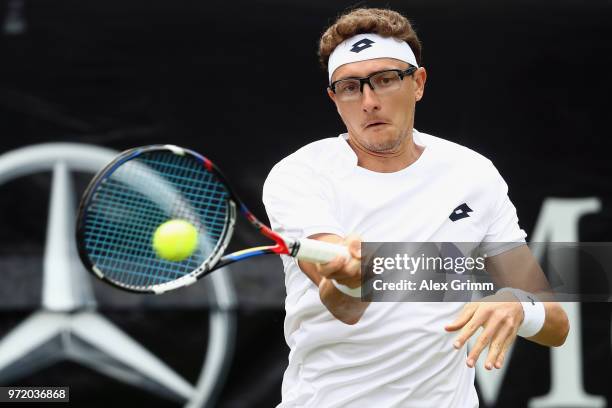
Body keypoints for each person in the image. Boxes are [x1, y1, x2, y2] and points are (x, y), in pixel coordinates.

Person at [262, 7, 569, 407]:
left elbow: (556, 323)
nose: (369, 101)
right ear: (335, 99)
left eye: (386, 80)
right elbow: (345, 307)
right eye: (351, 87)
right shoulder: (300, 175)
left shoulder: (473, 174)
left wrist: (519, 306)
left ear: (418, 83)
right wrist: (349, 277)